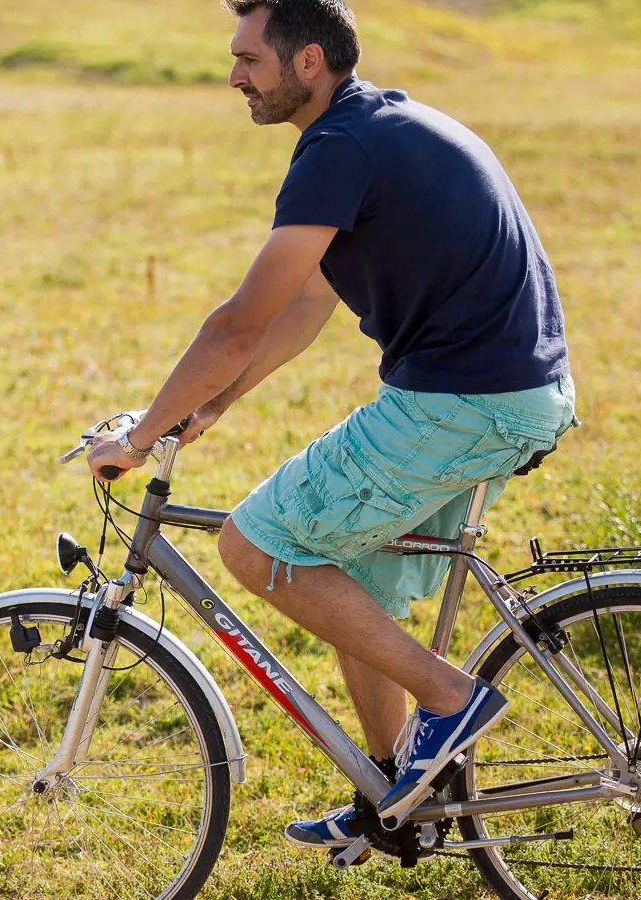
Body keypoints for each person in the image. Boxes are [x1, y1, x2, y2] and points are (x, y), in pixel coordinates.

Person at [85, 0, 578, 847]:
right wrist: (208, 408)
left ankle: (451, 698)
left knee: (251, 543)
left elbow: (237, 323)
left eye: (249, 59)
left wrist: (137, 439)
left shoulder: (338, 147)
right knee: (354, 577)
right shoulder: (378, 127)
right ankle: (394, 798)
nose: (234, 75)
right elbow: (304, 309)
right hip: (506, 392)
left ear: (307, 62)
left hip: (464, 401)